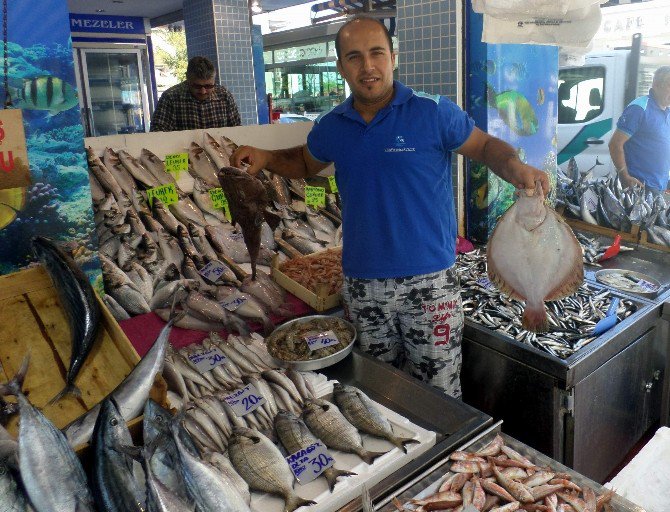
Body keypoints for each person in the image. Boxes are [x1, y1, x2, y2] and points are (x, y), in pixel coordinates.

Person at [231, 16, 549, 398]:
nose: (367, 66)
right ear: (340, 67)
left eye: (376, 53)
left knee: (439, 395)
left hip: (430, 283)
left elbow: (483, 146)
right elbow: (304, 163)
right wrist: (265, 156)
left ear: (393, 57)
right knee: (378, 391)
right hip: (363, 286)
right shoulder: (332, 125)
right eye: (354, 57)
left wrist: (512, 165)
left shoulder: (433, 112)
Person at [608, 66, 670, 191]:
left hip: (659, 185)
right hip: (639, 187)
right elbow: (615, 144)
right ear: (657, 85)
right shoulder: (640, 108)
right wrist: (624, 175)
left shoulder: (667, 110)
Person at [150, 56, 241, 132]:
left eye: (208, 86)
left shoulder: (224, 96)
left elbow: (236, 129)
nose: (203, 91)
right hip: (183, 151)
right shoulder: (170, 98)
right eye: (197, 86)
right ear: (187, 79)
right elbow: (158, 133)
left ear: (214, 80)